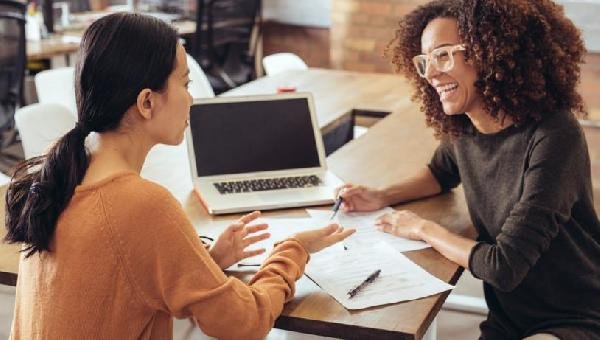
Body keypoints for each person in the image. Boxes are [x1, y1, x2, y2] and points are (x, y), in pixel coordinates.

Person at [4, 13, 354, 339]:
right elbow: (243, 322)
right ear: (146, 103)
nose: (191, 99)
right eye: (185, 84)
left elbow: (116, 279)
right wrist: (293, 250)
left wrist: (204, 261)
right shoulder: (142, 204)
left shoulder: (60, 172)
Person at [337, 0, 600, 339]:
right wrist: (380, 195)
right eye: (425, 61)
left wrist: (422, 229)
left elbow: (502, 266)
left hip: (575, 314)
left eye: (444, 55)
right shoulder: (466, 127)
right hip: (509, 317)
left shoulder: (554, 134)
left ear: (491, 53)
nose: (431, 73)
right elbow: (440, 173)